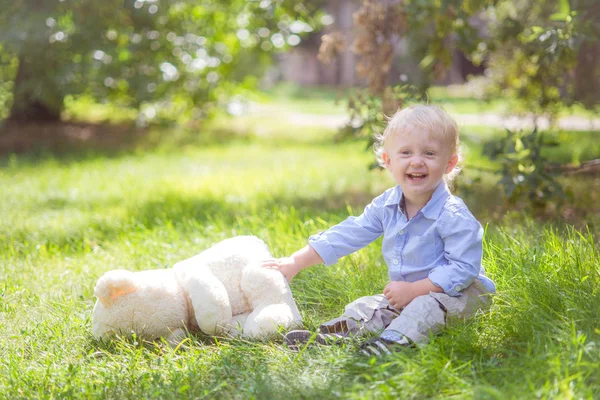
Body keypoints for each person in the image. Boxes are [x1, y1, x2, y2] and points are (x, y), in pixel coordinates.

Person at [261, 104, 495, 356]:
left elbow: (464, 268)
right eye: (406, 152)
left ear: (449, 163)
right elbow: (351, 232)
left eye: (429, 153)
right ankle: (333, 336)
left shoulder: (452, 214)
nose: (417, 161)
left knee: (425, 308)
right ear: (388, 161)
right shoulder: (387, 205)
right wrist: (296, 261)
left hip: (460, 294)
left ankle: (391, 345)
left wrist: (415, 290)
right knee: (367, 307)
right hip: (411, 292)